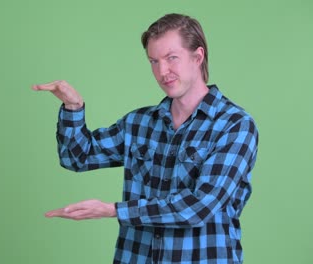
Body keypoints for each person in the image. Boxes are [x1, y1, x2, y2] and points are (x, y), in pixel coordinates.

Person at [33, 13, 258, 264]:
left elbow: (199, 207)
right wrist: (73, 107)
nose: (162, 71)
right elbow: (77, 157)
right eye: (154, 61)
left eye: (171, 58)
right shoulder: (139, 123)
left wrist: (113, 210)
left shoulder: (234, 125)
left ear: (197, 57)